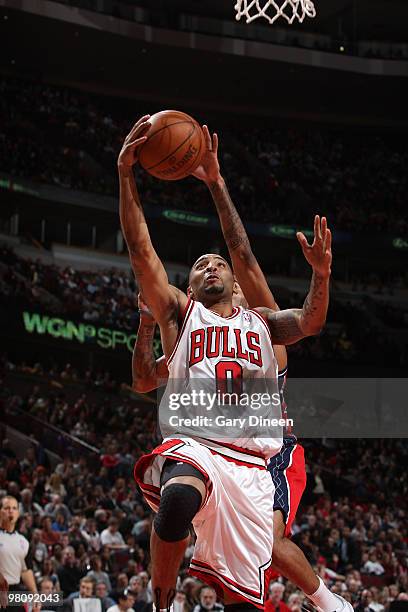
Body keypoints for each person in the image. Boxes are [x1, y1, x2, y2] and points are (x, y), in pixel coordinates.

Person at [131, 126, 350, 612]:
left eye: (222, 267)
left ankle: (328, 601)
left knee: (267, 549)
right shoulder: (197, 331)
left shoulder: (261, 322)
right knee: (185, 504)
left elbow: (245, 255)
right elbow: (147, 379)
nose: (221, 269)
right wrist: (148, 326)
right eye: (203, 266)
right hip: (212, 445)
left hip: (271, 451)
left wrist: (215, 181)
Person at [0, 495, 40, 612]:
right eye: (7, 508)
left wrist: (35, 594)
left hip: (14, 591)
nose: (11, 511)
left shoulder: (23, 541)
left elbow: (26, 570)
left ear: (18, 513)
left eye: (14, 508)